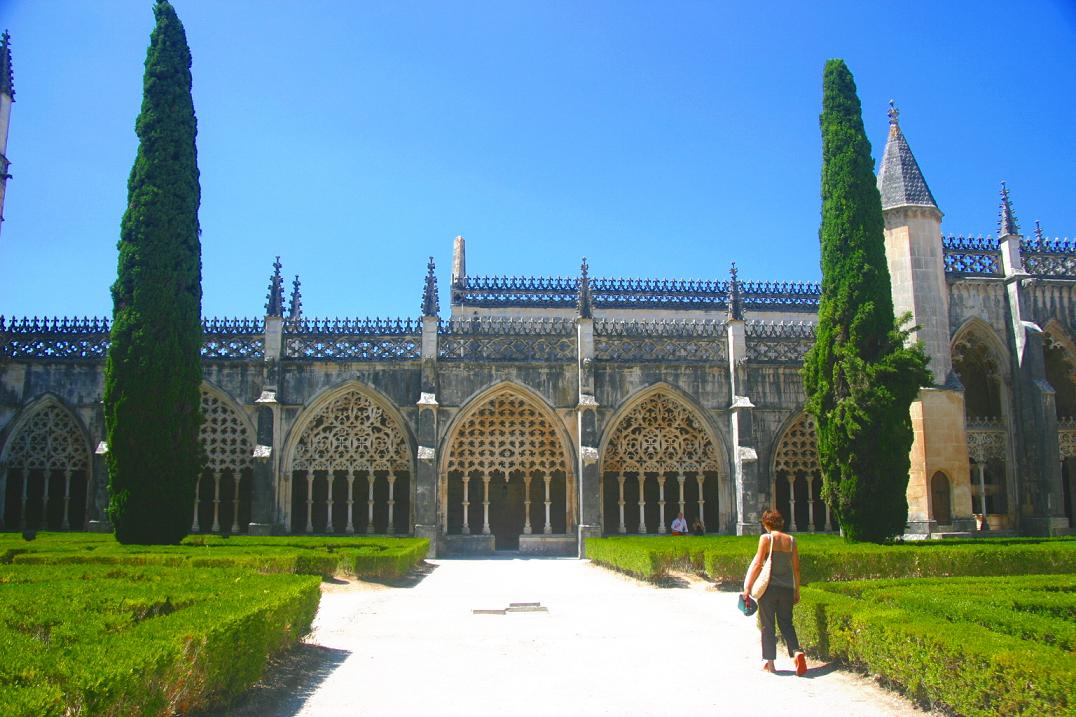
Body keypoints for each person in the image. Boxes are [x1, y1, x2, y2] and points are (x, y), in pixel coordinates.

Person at [742, 510, 807, 676]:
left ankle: (770, 664)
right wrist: (797, 590)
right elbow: (797, 568)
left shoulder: (767, 538)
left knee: (767, 625)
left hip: (769, 589)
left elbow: (757, 563)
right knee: (786, 622)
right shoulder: (791, 541)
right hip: (787, 589)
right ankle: (797, 652)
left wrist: (747, 587)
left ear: (766, 524)